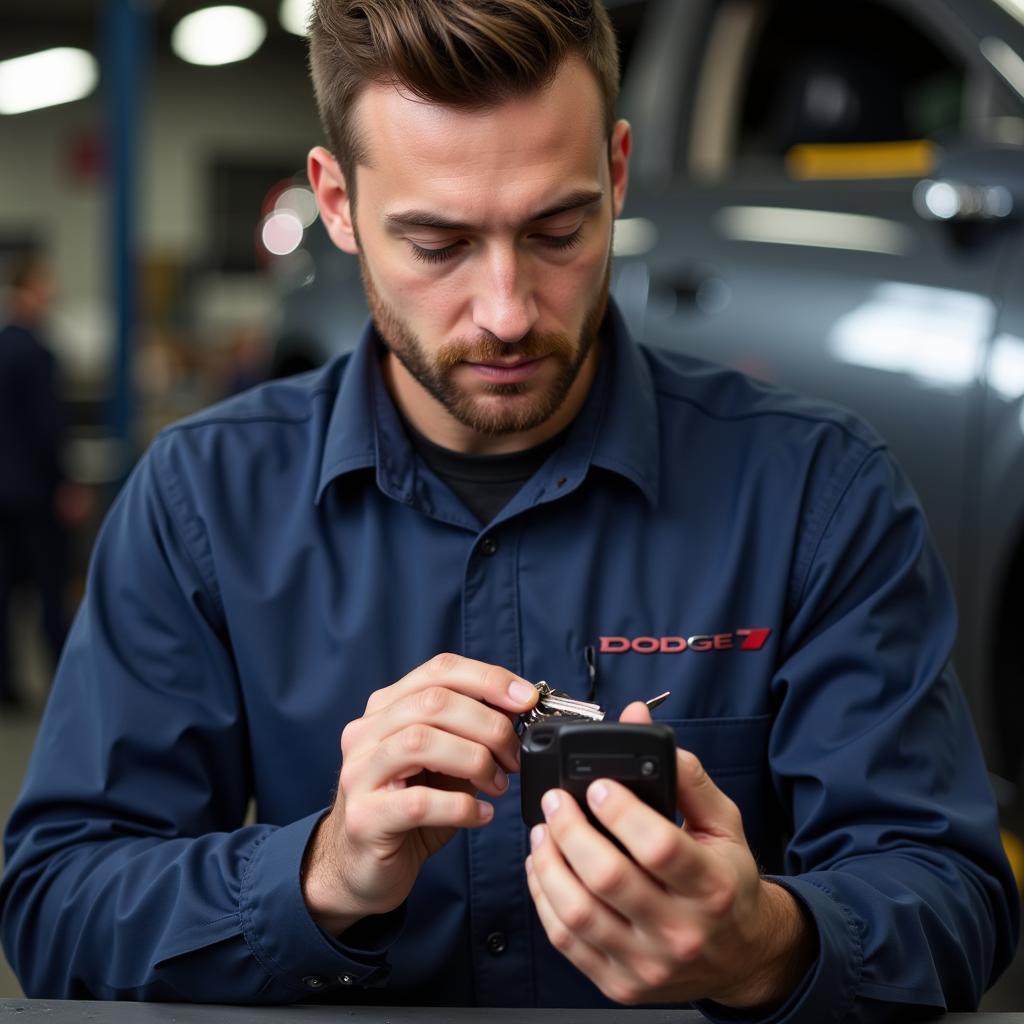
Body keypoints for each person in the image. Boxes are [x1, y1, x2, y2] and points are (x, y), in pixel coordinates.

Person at [0, 1, 1018, 1017]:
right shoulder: (200, 505)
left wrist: (765, 945)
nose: (505, 311)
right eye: (436, 243)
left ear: (618, 171)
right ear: (338, 201)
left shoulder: (814, 491)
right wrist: (319, 872)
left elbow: (951, 894)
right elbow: (58, 910)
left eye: (557, 229)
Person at [0, 255, 72, 711]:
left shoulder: (2, 346)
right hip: (35, 492)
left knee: (3, 592)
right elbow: (47, 429)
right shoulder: (39, 353)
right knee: (51, 588)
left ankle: (5, 685)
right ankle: (65, 686)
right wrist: (64, 482)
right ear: (32, 287)